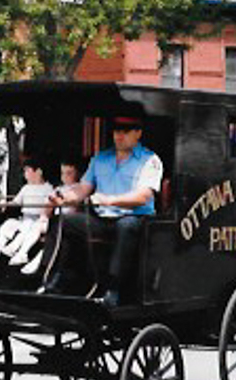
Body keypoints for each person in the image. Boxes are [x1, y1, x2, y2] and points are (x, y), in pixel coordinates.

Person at [42, 117, 163, 306]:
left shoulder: (150, 160)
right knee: (64, 221)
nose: (119, 136)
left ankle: (114, 290)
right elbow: (84, 188)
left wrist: (108, 199)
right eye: (116, 131)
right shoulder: (100, 158)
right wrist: (64, 197)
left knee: (126, 226)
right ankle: (55, 279)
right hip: (102, 218)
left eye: (126, 131)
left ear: (138, 133)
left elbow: (143, 197)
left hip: (135, 218)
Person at [20, 159, 82, 275]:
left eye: (69, 173)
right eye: (63, 173)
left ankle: (39, 261)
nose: (65, 176)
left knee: (54, 232)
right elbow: (48, 204)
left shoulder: (79, 189)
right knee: (37, 226)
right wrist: (44, 216)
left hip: (68, 222)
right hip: (55, 220)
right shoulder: (58, 189)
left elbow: (75, 209)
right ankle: (22, 252)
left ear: (77, 174)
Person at [0, 158, 55, 267]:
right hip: (25, 219)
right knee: (8, 225)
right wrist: (5, 204)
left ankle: (17, 250)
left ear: (38, 172)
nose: (25, 174)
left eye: (27, 171)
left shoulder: (48, 189)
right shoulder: (26, 188)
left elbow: (49, 207)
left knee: (28, 227)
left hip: (38, 220)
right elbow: (16, 202)